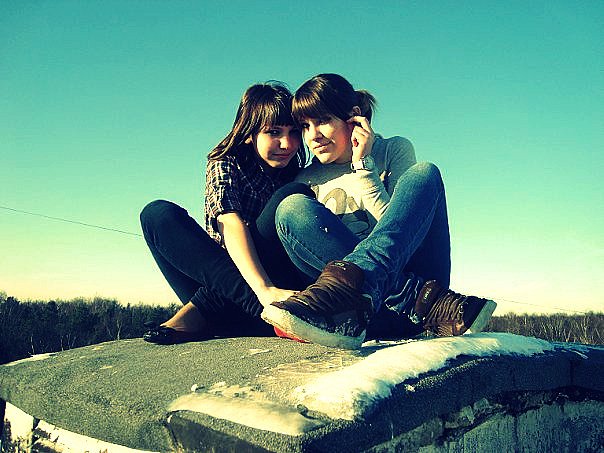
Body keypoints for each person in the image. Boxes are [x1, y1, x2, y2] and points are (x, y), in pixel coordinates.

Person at [261, 73, 497, 349]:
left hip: (422, 294)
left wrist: (363, 166)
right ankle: (408, 297)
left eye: (323, 120)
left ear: (354, 117)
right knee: (291, 207)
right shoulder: (305, 178)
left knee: (424, 173)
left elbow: (402, 236)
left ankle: (411, 299)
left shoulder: (392, 150)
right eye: (305, 126)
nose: (313, 136)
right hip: (379, 312)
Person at [140, 82, 313, 344]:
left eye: (294, 133)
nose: (287, 143)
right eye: (274, 132)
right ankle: (262, 314)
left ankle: (202, 314)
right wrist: (263, 290)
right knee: (156, 214)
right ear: (249, 132)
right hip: (237, 290)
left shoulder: (299, 174)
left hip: (271, 286)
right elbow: (229, 221)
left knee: (292, 195)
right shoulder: (226, 162)